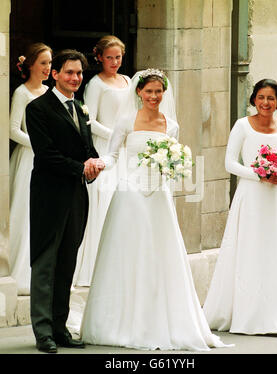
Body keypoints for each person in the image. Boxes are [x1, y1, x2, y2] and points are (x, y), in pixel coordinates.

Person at [80, 69, 230, 351]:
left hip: (158, 195)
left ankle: (158, 318)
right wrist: (99, 164)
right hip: (130, 194)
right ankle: (120, 321)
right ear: (138, 92)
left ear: (164, 93)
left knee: (159, 255)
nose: (153, 96)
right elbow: (112, 156)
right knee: (128, 253)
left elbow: (172, 164)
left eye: (158, 92)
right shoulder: (126, 120)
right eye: (148, 91)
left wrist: (175, 166)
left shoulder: (170, 125)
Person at [203, 79, 277, 335]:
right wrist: (259, 174)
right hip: (252, 196)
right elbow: (229, 163)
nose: (265, 103)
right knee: (250, 247)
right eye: (261, 97)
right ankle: (248, 311)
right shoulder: (242, 126)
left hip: (276, 197)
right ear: (254, 99)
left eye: (271, 98)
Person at [26, 49, 104, 353]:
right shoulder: (38, 109)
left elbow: (88, 147)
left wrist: (94, 165)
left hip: (76, 195)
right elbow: (45, 155)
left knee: (67, 264)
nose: (76, 78)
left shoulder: (80, 107)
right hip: (49, 195)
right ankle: (43, 331)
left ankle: (60, 329)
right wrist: (79, 168)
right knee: (45, 264)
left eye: (80, 73)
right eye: (69, 72)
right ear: (54, 73)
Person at [73, 35, 131, 287]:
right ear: (99, 57)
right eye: (109, 57)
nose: (114, 62)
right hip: (107, 145)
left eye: (118, 57)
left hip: (128, 146)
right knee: (105, 199)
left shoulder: (128, 81)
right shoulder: (95, 84)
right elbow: (90, 120)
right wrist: (116, 136)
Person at [9, 42, 52, 295]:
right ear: (32, 66)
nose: (48, 68)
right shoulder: (22, 93)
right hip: (29, 159)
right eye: (43, 63)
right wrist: (39, 145)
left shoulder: (49, 91)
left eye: (50, 63)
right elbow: (13, 129)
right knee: (25, 211)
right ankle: (21, 272)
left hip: (48, 160)